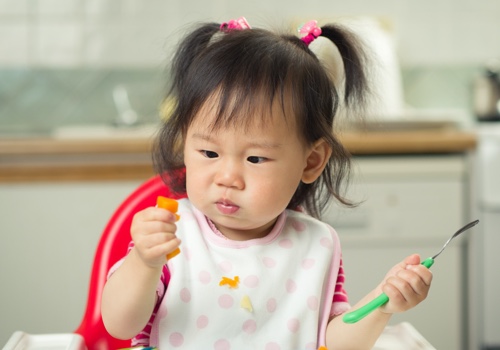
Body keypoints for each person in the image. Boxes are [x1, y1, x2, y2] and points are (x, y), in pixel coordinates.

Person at [101, 17, 432, 350]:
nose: (227, 177)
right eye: (208, 152)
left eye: (255, 159)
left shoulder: (314, 245)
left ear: (312, 161)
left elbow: (331, 342)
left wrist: (383, 302)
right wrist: (144, 262)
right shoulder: (172, 234)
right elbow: (119, 325)